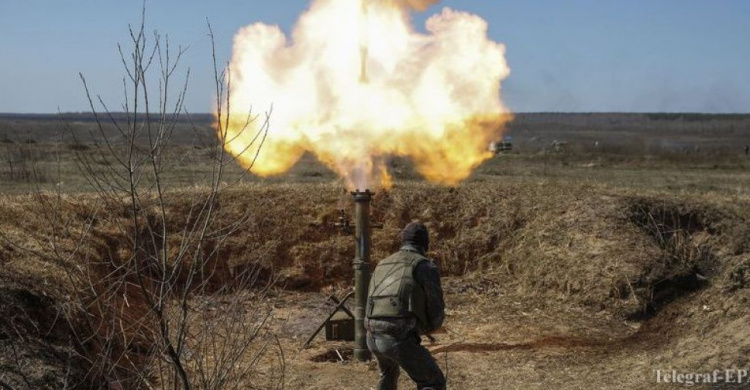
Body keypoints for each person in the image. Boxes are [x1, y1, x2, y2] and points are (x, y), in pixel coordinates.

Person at [366, 221, 446, 390]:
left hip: (371, 335)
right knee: (433, 382)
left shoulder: (383, 263)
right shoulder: (424, 265)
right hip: (397, 337)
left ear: (403, 241)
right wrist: (428, 327)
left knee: (388, 375)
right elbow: (435, 308)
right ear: (425, 244)